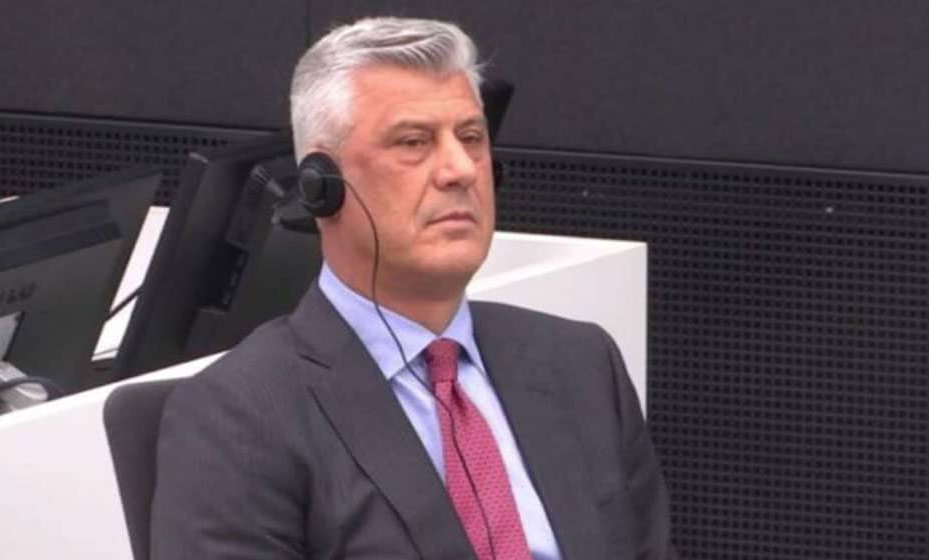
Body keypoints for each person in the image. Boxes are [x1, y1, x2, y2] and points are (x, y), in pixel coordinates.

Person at [150, 16, 676, 560]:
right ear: (321, 187)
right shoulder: (240, 416)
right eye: (413, 142)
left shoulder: (581, 363)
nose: (460, 170)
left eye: (471, 138)